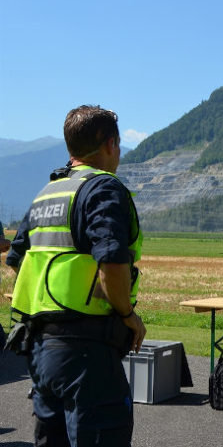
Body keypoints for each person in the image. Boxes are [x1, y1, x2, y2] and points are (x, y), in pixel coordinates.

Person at [5, 105, 146, 446]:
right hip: (87, 350)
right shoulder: (103, 188)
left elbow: (17, 259)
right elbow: (112, 261)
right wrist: (127, 314)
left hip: (41, 348)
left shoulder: (48, 192)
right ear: (110, 144)